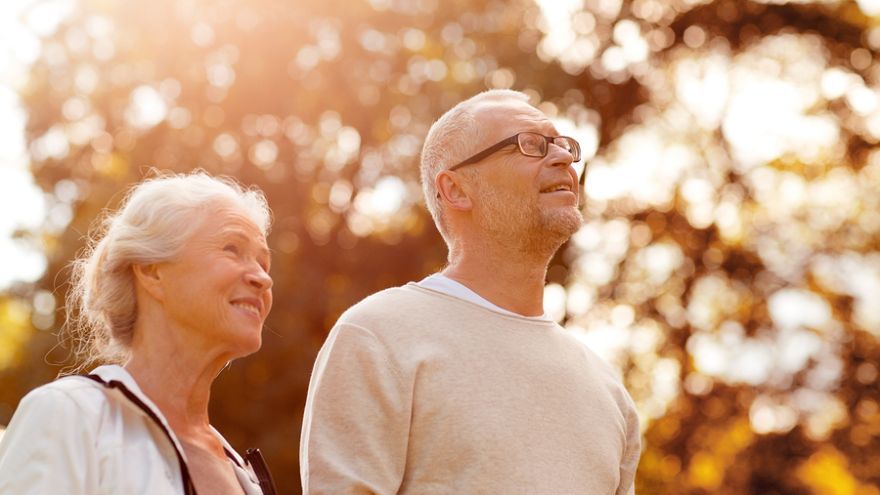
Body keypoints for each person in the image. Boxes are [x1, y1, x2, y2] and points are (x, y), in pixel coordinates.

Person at [300, 89, 641, 494]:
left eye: (563, 144)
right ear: (456, 189)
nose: (563, 157)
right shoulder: (378, 336)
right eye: (530, 144)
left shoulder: (607, 390)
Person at [0, 171, 277, 494]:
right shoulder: (69, 415)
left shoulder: (241, 473)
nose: (263, 278)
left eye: (263, 263)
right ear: (151, 270)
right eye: (232, 249)